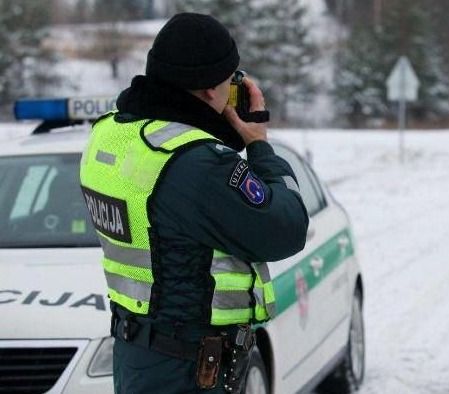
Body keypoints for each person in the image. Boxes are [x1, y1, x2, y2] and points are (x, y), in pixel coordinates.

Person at [79, 13, 309, 393]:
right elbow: (286, 229)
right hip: (190, 369)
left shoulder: (112, 135)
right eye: (228, 82)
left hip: (138, 353)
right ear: (207, 91)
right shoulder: (198, 165)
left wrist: (218, 135)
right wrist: (258, 145)